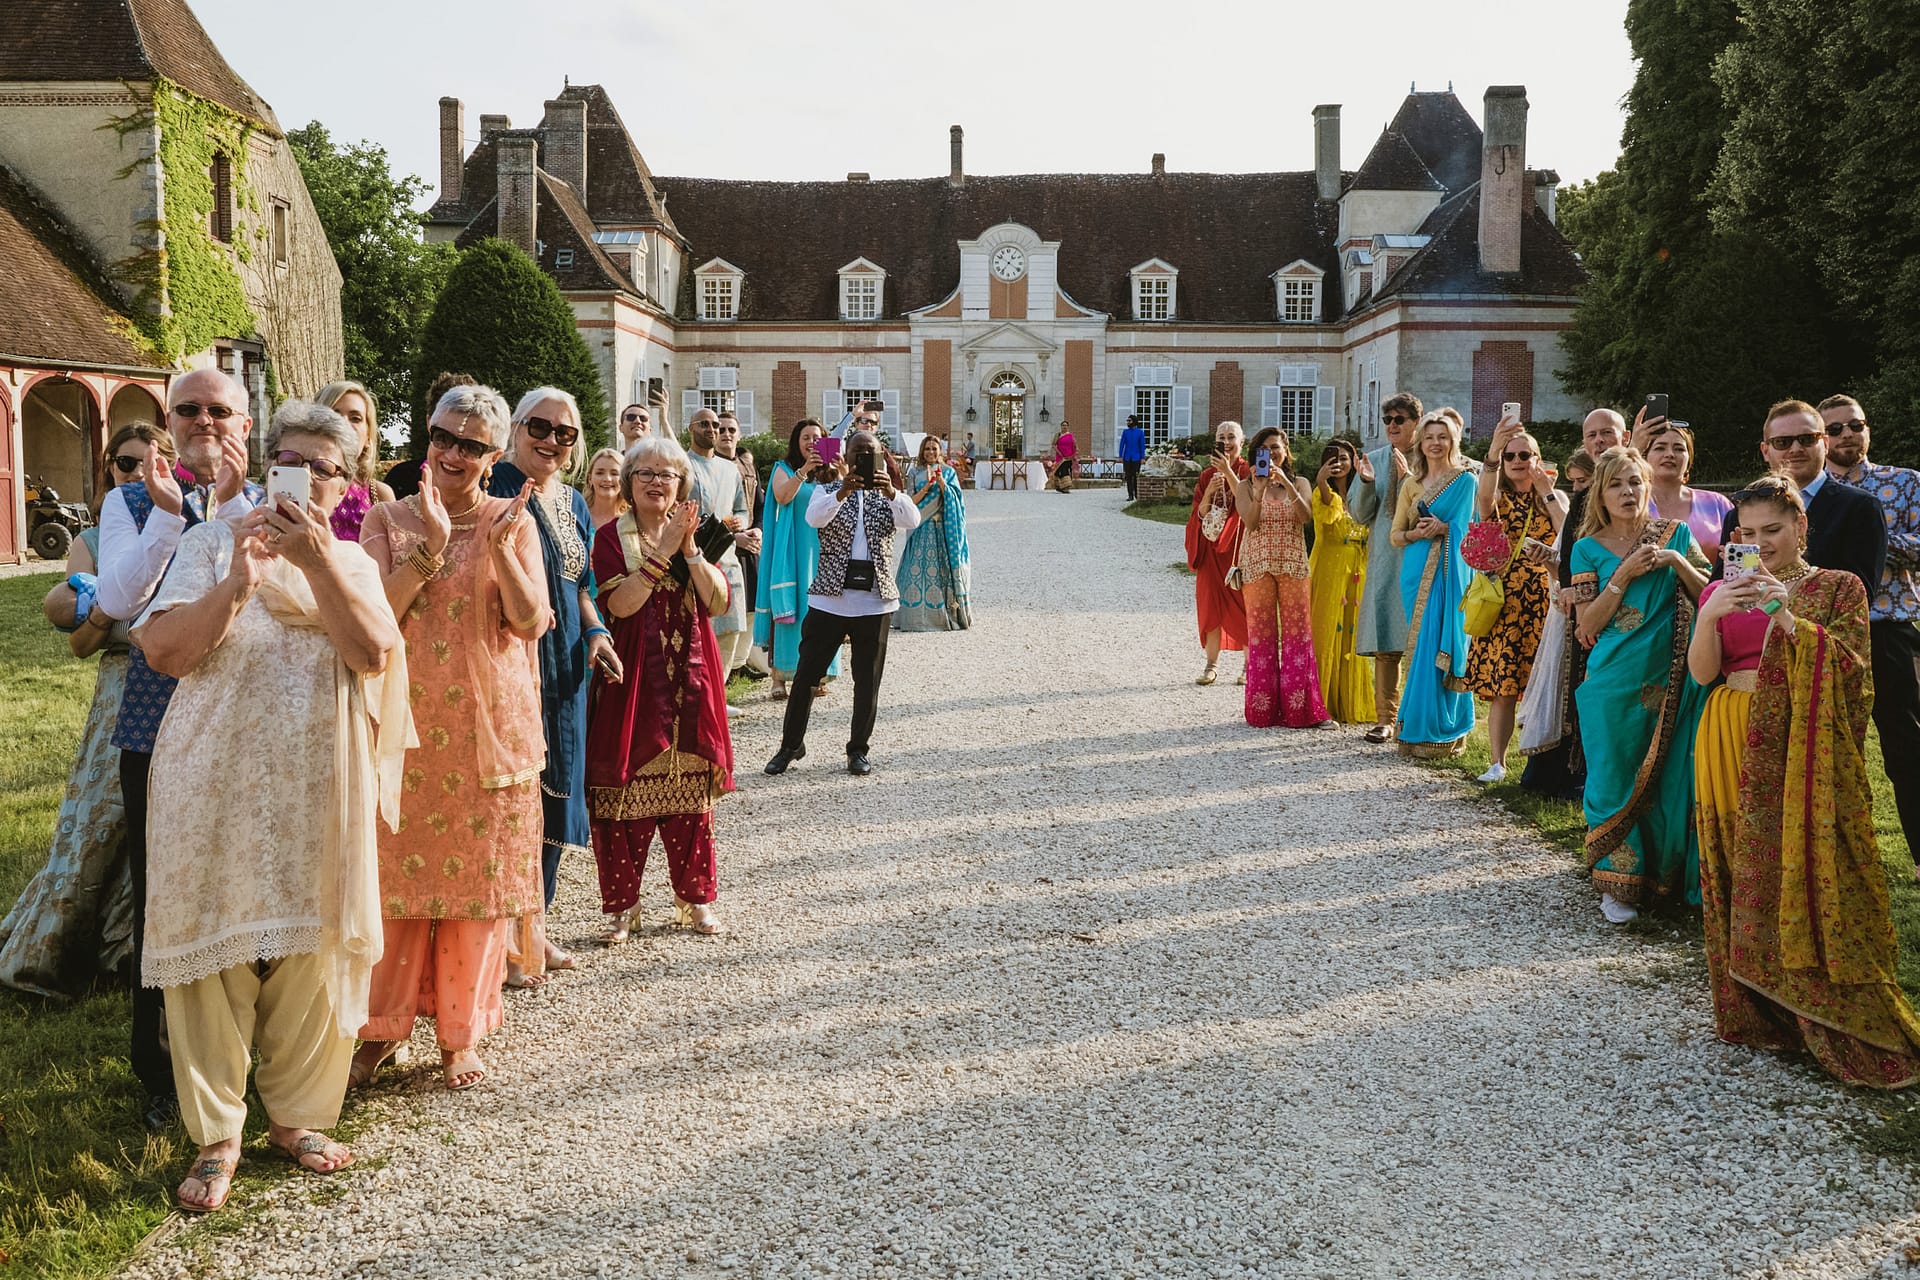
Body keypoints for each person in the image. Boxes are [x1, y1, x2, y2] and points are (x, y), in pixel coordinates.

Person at [133, 399, 404, 1212]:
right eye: (289, 459)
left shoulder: (351, 562)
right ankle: (218, 1134)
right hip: (209, 775)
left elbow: (372, 654)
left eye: (322, 465)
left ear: (346, 480)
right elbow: (164, 651)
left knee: (313, 944)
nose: (303, 475)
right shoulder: (211, 543)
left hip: (317, 784)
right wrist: (240, 585)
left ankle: (296, 1118)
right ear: (265, 463)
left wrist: (317, 564)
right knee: (209, 949)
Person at [1690, 474, 1920, 1087]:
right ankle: (1760, 1009)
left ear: (1801, 527)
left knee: (1800, 864)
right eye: (1750, 532)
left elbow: (1853, 674)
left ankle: (1821, 1010)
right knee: (1738, 864)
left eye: (1775, 529)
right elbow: (1702, 674)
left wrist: (1785, 615)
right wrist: (1711, 610)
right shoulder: (1723, 586)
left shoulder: (1837, 588)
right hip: (1727, 731)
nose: (1762, 544)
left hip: (1801, 748)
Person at [353, 384, 552, 1092]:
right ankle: (378, 1032)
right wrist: (431, 552)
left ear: (493, 455)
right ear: (425, 440)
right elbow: (374, 616)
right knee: (394, 890)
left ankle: (460, 1036)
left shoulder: (513, 521)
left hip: (487, 735)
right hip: (401, 732)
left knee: (475, 890)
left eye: (472, 445)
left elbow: (532, 622)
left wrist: (498, 553)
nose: (453, 454)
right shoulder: (386, 519)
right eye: (444, 437)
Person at [97, 368, 262, 1132]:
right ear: (169, 419)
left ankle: (245, 1057)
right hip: (156, 725)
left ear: (246, 423)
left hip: (250, 730)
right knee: (161, 895)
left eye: (218, 409)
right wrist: (174, 518)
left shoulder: (274, 505)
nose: (204, 420)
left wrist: (228, 510)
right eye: (187, 409)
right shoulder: (130, 500)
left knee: (249, 887)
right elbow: (117, 602)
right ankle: (159, 1067)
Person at [0, 424, 175, 996]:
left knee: (166, 819)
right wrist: (109, 608)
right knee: (103, 820)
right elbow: (80, 645)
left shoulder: (190, 527)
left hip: (182, 686)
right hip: (122, 688)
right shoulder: (94, 542)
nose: (137, 476)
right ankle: (58, 949)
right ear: (109, 470)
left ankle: (132, 952)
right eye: (126, 465)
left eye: (151, 464)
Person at [488, 387, 618, 977]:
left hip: (567, 664)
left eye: (565, 433)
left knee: (556, 792)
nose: (551, 440)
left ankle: (534, 929)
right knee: (512, 797)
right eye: (540, 426)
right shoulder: (492, 489)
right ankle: (503, 942)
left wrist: (596, 635)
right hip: (508, 661)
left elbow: (582, 586)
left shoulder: (573, 504)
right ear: (516, 428)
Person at [586, 436, 734, 941]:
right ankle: (622, 907)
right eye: (645, 473)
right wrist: (662, 552)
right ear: (629, 482)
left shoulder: (697, 537)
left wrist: (690, 552)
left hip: (691, 677)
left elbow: (716, 603)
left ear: (681, 486)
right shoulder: (609, 537)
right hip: (632, 678)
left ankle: (696, 900)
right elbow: (620, 606)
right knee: (623, 792)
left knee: (692, 796)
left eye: (666, 474)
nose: (655, 481)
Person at [1571, 445, 1710, 923]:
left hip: (1673, 677)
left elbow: (1708, 594)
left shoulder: (1675, 534)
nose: (1627, 492)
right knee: (1613, 772)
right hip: (1613, 676)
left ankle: (1665, 879)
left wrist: (1677, 561)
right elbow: (1587, 623)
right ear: (1600, 495)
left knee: (1672, 775)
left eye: (1635, 482)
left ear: (1647, 486)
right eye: (1616, 484)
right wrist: (1624, 574)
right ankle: (1618, 883)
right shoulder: (1585, 547)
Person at [764, 430, 922, 777]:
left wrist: (891, 491)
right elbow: (813, 518)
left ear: (881, 456)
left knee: (867, 682)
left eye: (871, 452)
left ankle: (858, 750)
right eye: (857, 452)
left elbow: (912, 520)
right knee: (806, 676)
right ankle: (790, 746)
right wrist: (844, 490)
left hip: (874, 603)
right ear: (846, 456)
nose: (863, 457)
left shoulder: (891, 496)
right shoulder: (826, 491)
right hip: (829, 601)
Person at [1820, 393, 1920, 861]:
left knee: (1906, 743)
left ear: (1867, 429)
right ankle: (1838, 857)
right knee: (1830, 749)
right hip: (1824, 632)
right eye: (1835, 429)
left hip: (1887, 627)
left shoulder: (1903, 483)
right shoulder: (1807, 491)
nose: (1846, 435)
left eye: (1854, 426)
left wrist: (1867, 527)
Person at [1518, 410, 1628, 800]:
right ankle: (1569, 773)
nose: (1599, 441)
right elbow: (1569, 555)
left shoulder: (1635, 490)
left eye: (1607, 433)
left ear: (1626, 437)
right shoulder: (1583, 498)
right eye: (1591, 435)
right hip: (1579, 607)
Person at [1464, 415, 1567, 783]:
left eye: (1527, 454)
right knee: (1505, 688)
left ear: (1540, 459)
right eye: (1512, 456)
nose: (1519, 461)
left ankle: (1539, 761)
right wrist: (1492, 452)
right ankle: (1498, 762)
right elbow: (1484, 498)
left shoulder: (1552, 497)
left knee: (1546, 686)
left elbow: (1568, 530)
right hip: (1505, 605)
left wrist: (1547, 492)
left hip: (1546, 604)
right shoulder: (1500, 499)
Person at [1717, 400, 1887, 599]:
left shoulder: (1860, 508)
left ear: (1824, 443)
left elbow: (1858, 597)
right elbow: (1723, 596)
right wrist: (1744, 567)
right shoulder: (1739, 514)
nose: (1796, 449)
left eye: (1807, 439)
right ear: (1765, 450)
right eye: (1783, 442)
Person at [1225, 427, 1332, 728]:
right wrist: (1259, 491)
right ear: (1255, 453)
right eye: (1264, 448)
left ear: (1286, 450)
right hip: (1257, 565)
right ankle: (1263, 711)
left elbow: (1306, 517)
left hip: (1293, 564)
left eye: (1276, 447)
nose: (1271, 453)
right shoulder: (1246, 486)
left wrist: (1284, 481)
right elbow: (1251, 522)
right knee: (1262, 637)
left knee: (1298, 638)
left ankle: (1302, 710)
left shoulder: (1299, 482)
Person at [1389, 410, 1478, 758]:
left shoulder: (1465, 481)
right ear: (1420, 443)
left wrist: (1445, 529)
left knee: (1447, 643)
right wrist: (1417, 532)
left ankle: (1445, 731)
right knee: (1423, 648)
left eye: (1443, 437)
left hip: (1450, 573)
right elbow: (1396, 536)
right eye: (1430, 437)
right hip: (1416, 570)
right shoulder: (1411, 483)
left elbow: (1470, 532)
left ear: (1452, 441)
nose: (1436, 443)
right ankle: (1415, 730)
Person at [1351, 392, 1420, 743]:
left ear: (1416, 423)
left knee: (1423, 642)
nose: (1392, 425)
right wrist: (1364, 482)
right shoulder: (1373, 459)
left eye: (1400, 419)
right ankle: (1385, 718)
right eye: (1387, 420)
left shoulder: (1431, 460)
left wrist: (1410, 478)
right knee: (1386, 642)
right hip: (1385, 562)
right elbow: (1359, 515)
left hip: (1423, 559)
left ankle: (1416, 718)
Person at [754, 420, 841, 701]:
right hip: (793, 551)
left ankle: (819, 675)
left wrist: (843, 474)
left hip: (824, 553)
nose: (812, 442)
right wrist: (804, 471)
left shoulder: (831, 474)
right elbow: (781, 496)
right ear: (796, 441)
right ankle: (779, 676)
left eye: (818, 437)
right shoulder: (785, 468)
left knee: (824, 616)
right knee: (791, 610)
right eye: (806, 437)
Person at [684, 407, 756, 682]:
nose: (712, 429)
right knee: (701, 634)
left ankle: (718, 695)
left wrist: (737, 522)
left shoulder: (730, 469)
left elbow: (742, 510)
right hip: (696, 562)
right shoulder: (682, 465)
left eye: (715, 424)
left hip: (728, 562)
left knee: (731, 633)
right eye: (704, 424)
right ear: (691, 428)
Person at [1307, 438, 1371, 723]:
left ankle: (1349, 702)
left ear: (1353, 461)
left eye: (1344, 458)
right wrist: (1321, 482)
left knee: (1354, 632)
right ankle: (1320, 704)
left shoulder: (1362, 495)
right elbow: (1329, 518)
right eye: (1332, 458)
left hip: (1357, 569)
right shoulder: (1322, 495)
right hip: (1329, 568)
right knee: (1326, 628)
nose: (1339, 463)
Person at [1185, 421, 1249, 686]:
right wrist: (1210, 490)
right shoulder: (1206, 475)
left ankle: (1249, 666)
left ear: (1242, 442)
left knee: (1244, 607)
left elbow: (1247, 502)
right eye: (1221, 437)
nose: (1226, 442)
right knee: (1210, 605)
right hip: (1211, 550)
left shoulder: (1247, 470)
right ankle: (1211, 664)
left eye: (1231, 437)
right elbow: (1198, 514)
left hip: (1237, 548)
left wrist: (1228, 473)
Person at [896, 435, 972, 632]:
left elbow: (957, 500)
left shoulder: (948, 472)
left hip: (941, 529)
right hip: (920, 527)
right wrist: (928, 486)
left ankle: (941, 615)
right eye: (927, 448)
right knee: (914, 569)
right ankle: (913, 617)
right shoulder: (914, 472)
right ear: (922, 451)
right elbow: (910, 501)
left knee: (940, 570)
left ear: (940, 452)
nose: (930, 452)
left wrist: (941, 483)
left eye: (934, 449)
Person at [1643, 419, 1733, 569]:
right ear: (1644, 458)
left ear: (1689, 459)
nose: (1670, 454)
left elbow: (1748, 552)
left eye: (1679, 449)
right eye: (1660, 448)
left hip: (1716, 590)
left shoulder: (1717, 504)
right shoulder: (1633, 504)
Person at [316, 380, 396, 542]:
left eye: (355, 418)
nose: (345, 424)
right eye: (335, 415)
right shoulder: (299, 483)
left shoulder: (379, 495)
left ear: (368, 436)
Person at [383, 372, 476, 501]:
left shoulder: (489, 485)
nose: (453, 454)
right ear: (429, 422)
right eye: (444, 433)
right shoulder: (401, 478)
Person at [584, 446, 627, 534]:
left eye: (614, 473)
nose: (607, 479)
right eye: (600, 473)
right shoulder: (578, 517)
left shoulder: (631, 521)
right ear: (590, 479)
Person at [1118, 413, 1148, 501]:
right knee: (1128, 476)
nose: (1128, 422)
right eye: (1127, 421)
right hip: (1127, 457)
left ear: (1134, 422)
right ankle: (1130, 494)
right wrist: (1120, 455)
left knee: (1135, 476)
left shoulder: (1140, 432)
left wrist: (1142, 457)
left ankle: (1136, 493)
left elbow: (1142, 445)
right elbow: (1122, 444)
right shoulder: (1125, 432)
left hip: (1136, 457)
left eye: (1129, 421)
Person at [1047, 425, 1077, 493]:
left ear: (1068, 427)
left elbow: (1074, 445)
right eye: (1063, 425)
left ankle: (1064, 487)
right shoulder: (1058, 435)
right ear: (1061, 427)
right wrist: (1059, 452)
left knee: (1065, 470)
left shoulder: (1070, 436)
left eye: (1066, 425)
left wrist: (1075, 453)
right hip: (1061, 457)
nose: (1064, 427)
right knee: (1060, 471)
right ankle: (1062, 487)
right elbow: (1053, 445)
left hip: (1069, 457)